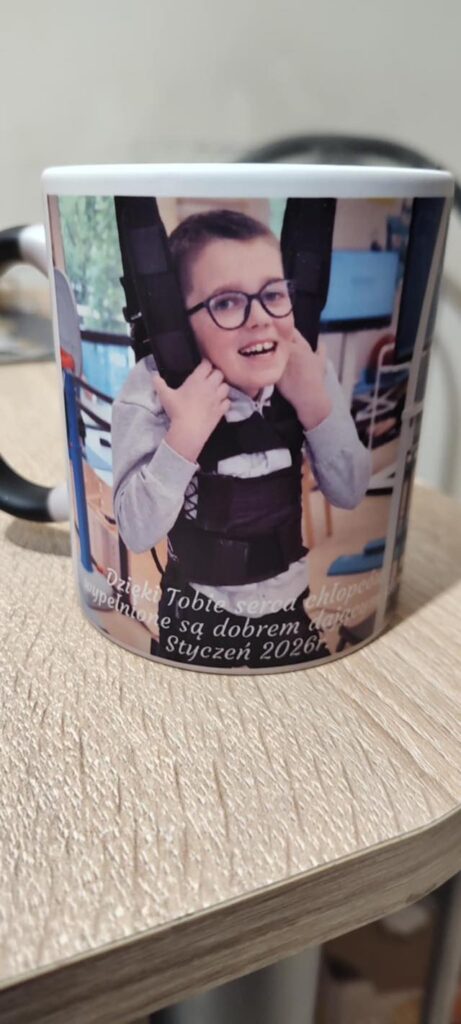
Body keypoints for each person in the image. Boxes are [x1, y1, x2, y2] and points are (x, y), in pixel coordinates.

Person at [111, 208, 371, 669]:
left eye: (273, 294)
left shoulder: (306, 367)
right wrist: (184, 437)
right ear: (179, 322)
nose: (261, 319)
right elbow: (135, 531)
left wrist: (315, 404)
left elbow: (351, 491)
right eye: (227, 302)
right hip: (197, 611)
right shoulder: (156, 390)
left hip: (288, 611)